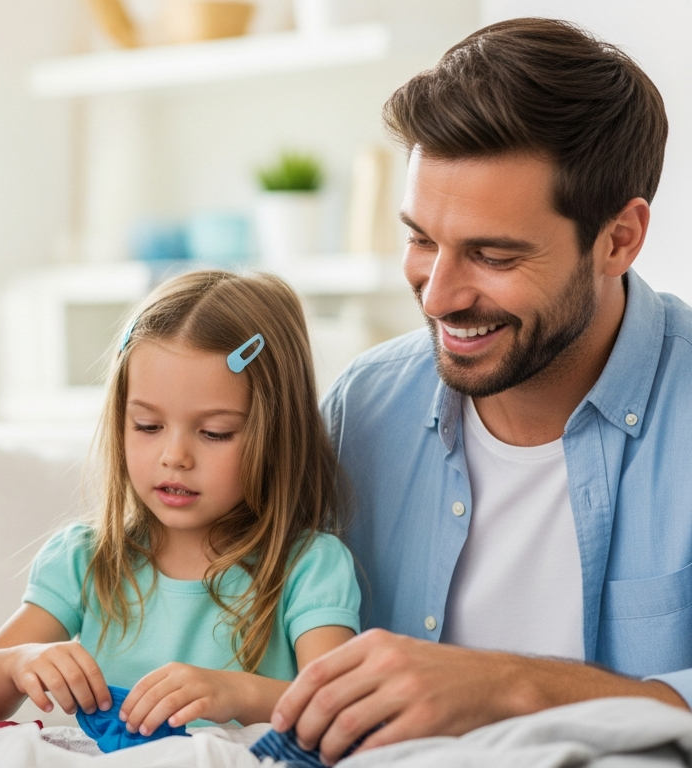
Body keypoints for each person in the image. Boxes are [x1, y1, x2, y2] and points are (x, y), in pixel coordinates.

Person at [268, 18, 692, 763]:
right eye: (422, 239)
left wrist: (512, 686)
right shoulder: (361, 411)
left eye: (492, 255)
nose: (436, 296)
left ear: (619, 239)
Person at [0, 270, 361, 736]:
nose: (175, 457)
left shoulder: (308, 567)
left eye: (214, 433)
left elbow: (334, 708)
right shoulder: (86, 559)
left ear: (277, 436)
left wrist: (237, 693)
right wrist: (21, 662)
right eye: (148, 426)